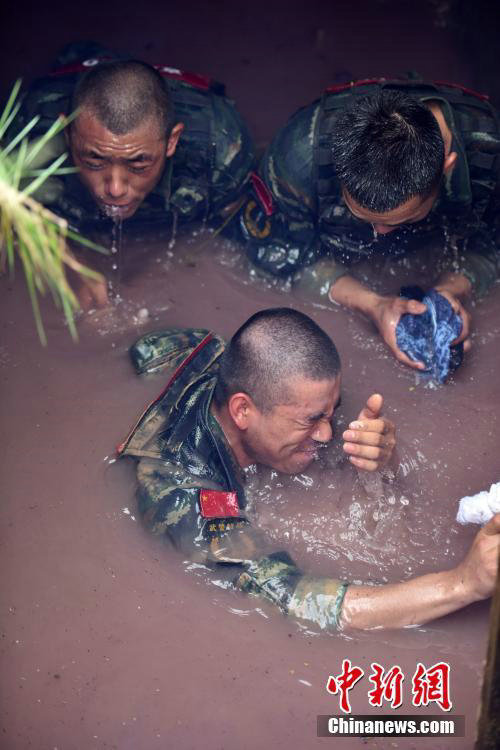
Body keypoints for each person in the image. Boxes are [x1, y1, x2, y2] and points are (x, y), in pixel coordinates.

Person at [118, 308, 500, 631]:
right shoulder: (184, 491)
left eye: (331, 412)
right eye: (311, 420)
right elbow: (293, 599)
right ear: (242, 411)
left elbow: (144, 345)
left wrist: (382, 457)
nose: (327, 432)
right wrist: (462, 584)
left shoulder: (263, 382)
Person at [237, 78, 500, 369]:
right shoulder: (301, 152)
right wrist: (372, 304)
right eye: (363, 217)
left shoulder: (490, 152)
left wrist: (454, 288)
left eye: (405, 219)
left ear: (446, 168)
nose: (380, 233)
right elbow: (274, 250)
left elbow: (495, 245)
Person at [8, 42, 255, 305]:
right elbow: (12, 209)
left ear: (172, 141)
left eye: (138, 165)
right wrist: (67, 263)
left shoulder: (221, 147)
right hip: (73, 76)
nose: (115, 188)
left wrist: (161, 274)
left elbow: (229, 233)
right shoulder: (29, 130)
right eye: (94, 160)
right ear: (67, 133)